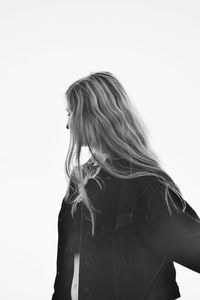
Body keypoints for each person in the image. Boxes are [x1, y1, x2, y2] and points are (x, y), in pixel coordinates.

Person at [51, 71, 200, 300]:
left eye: (70, 113)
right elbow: (68, 273)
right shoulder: (78, 185)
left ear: (91, 116)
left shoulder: (145, 183)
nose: (67, 126)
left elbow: (193, 246)